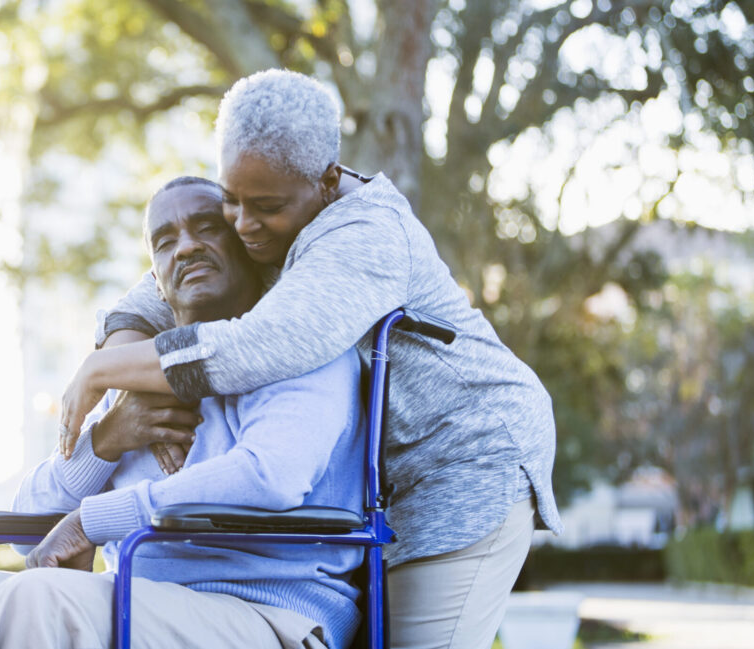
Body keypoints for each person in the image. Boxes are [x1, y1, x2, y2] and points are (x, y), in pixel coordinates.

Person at [58, 69, 564, 649]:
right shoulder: (263, 217)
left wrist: (99, 372)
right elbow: (145, 300)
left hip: (464, 457)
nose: (243, 226)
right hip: (380, 482)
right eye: (231, 202)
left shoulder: (364, 235)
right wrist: (132, 387)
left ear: (326, 181)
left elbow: (255, 348)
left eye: (265, 206)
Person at [0, 177, 365, 649]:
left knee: (39, 598)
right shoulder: (137, 374)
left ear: (246, 243)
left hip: (269, 613)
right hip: (140, 603)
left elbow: (270, 476)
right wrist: (104, 441)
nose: (186, 247)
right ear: (156, 282)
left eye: (207, 227)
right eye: (165, 241)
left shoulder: (300, 343)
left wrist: (93, 520)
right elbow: (26, 528)